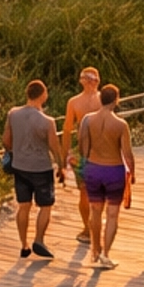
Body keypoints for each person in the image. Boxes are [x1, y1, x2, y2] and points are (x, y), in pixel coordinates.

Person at [76, 84, 135, 270]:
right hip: (113, 170)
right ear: (116, 100)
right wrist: (132, 173)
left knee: (95, 211)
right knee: (112, 214)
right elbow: (127, 153)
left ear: (101, 98)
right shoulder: (120, 125)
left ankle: (94, 249)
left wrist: (83, 169)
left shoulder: (87, 120)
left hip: (93, 168)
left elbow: (82, 146)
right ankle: (105, 254)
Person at [3, 79, 60, 261]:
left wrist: (14, 152)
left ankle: (24, 245)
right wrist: (61, 166)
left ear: (27, 94)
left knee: (24, 205)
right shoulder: (48, 122)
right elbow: (54, 146)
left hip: (20, 166)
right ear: (43, 95)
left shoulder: (13, 114)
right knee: (45, 205)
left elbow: (6, 140)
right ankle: (39, 240)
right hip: (41, 168)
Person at [60, 67, 104, 245]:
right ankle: (91, 226)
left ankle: (89, 227)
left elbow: (67, 129)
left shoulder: (80, 101)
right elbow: (67, 129)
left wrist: (63, 156)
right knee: (90, 193)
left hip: (92, 151)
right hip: (93, 152)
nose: (92, 82)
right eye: (90, 79)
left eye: (93, 79)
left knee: (88, 193)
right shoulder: (79, 102)